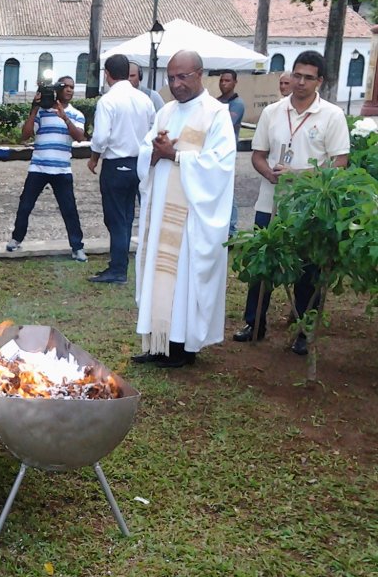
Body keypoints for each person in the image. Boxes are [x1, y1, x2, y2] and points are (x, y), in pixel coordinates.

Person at [233, 50, 350, 355]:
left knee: (307, 273)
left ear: (319, 81)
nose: (300, 82)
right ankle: (254, 323)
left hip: (309, 210)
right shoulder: (273, 112)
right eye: (296, 75)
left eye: (308, 77)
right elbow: (258, 155)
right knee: (262, 265)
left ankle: (303, 331)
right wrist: (269, 173)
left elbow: (340, 163)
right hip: (268, 203)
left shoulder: (332, 115)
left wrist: (298, 175)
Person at [132, 51, 236, 368]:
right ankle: (157, 343)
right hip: (160, 211)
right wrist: (153, 154)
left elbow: (220, 165)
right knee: (156, 277)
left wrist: (175, 155)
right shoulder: (165, 112)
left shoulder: (216, 114)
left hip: (190, 218)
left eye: (183, 77)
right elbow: (145, 152)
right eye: (171, 77)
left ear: (200, 74)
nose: (176, 84)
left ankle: (182, 348)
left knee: (183, 281)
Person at [88, 54, 155, 284]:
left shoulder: (108, 101)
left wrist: (94, 159)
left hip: (116, 164)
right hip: (139, 164)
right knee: (127, 216)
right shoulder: (144, 100)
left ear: (107, 74)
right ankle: (123, 263)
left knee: (116, 218)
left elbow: (100, 137)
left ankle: (118, 269)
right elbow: (152, 129)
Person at [5, 75, 88, 261]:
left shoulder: (76, 114)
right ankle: (16, 239)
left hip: (62, 170)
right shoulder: (42, 112)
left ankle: (77, 247)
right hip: (39, 167)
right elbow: (25, 136)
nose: (69, 89)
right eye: (65, 86)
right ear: (57, 89)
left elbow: (80, 137)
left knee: (69, 210)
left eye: (72, 87)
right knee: (25, 205)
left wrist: (64, 117)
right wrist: (34, 108)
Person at [217, 70, 246, 237]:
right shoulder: (218, 101)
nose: (223, 83)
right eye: (222, 80)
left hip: (228, 151)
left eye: (227, 80)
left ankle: (232, 228)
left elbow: (226, 123)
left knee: (229, 189)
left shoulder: (237, 104)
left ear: (235, 82)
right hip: (215, 150)